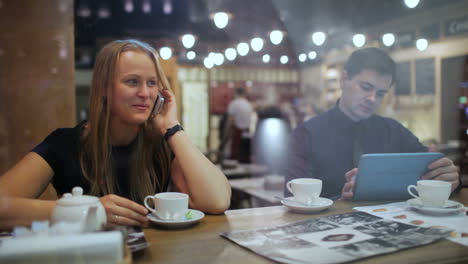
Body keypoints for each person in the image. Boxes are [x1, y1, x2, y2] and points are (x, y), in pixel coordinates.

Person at [0, 39, 231, 230]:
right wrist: (88, 211)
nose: (145, 93)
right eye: (132, 82)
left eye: (152, 83)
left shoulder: (161, 143)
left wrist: (172, 127)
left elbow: (217, 200)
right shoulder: (64, 143)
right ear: (104, 88)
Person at [284, 47, 459, 200]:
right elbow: (293, 200)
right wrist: (340, 201)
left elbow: (433, 171)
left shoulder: (394, 131)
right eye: (366, 87)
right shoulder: (306, 134)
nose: (373, 99)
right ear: (344, 79)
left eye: (381, 93)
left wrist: (449, 177)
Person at [223, 87, 254, 163]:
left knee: (234, 155)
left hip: (236, 132)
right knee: (244, 155)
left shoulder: (234, 103)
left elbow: (230, 121)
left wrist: (225, 134)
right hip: (247, 132)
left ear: (236, 93)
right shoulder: (248, 104)